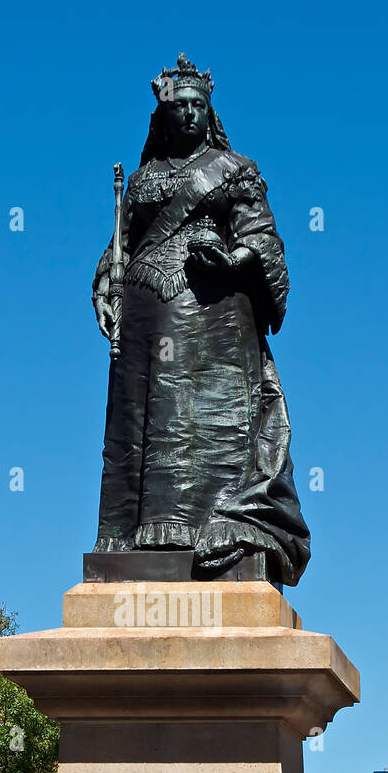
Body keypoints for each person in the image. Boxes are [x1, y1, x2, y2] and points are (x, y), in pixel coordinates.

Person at [92, 55, 310, 582]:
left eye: (197, 106)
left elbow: (261, 239)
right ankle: (130, 537)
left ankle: (204, 527)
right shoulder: (142, 177)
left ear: (208, 111)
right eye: (179, 106)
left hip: (209, 313)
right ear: (164, 115)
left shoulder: (234, 170)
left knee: (197, 420)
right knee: (141, 422)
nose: (188, 114)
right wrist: (104, 287)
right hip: (144, 316)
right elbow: (119, 247)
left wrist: (233, 261)